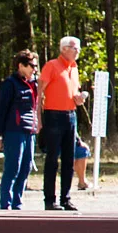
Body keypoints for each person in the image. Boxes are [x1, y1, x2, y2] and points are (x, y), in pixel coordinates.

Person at [0, 49, 42, 210]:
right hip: (14, 131)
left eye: (36, 66)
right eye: (31, 66)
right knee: (13, 167)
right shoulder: (10, 84)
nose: (34, 69)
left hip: (29, 131)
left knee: (26, 167)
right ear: (21, 65)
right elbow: (1, 110)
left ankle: (17, 204)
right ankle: (5, 204)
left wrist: (37, 124)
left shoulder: (34, 84)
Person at [38, 35, 84, 211]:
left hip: (71, 115)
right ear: (64, 49)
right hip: (53, 115)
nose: (78, 51)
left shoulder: (74, 68)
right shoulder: (52, 66)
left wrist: (79, 99)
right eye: (75, 48)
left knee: (69, 159)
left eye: (78, 48)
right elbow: (39, 93)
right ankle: (50, 200)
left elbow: (73, 93)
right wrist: (38, 119)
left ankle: (66, 198)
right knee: (52, 159)